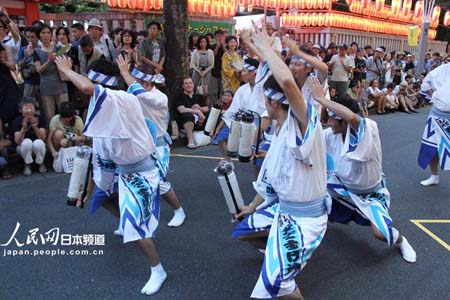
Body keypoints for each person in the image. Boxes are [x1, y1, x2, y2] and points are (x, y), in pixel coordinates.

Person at [55, 55, 167, 296]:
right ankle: (126, 222)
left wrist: (66, 69)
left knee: (134, 225)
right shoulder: (103, 107)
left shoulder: (120, 99)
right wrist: (87, 191)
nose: (86, 92)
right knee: (102, 200)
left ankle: (157, 269)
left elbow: (86, 86)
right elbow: (100, 159)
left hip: (142, 172)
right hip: (123, 173)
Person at [233, 23, 329, 300]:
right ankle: (283, 258)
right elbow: (271, 183)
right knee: (243, 231)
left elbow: (287, 83)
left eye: (265, 99)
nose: (262, 103)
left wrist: (265, 46)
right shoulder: (278, 131)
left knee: (278, 284)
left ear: (275, 104)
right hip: (283, 212)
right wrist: (251, 206)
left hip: (305, 219)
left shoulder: (303, 123)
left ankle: (285, 263)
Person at [309, 77, 416, 264]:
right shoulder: (329, 135)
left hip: (371, 193)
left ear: (343, 120)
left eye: (333, 118)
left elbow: (352, 117)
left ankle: (401, 240)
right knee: (308, 197)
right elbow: (308, 146)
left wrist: (323, 99)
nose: (329, 122)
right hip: (342, 188)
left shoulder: (368, 128)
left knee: (381, 234)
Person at [117, 56, 186, 227]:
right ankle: (134, 219)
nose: (131, 83)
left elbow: (141, 95)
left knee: (159, 183)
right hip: (138, 144)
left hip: (158, 146)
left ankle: (179, 210)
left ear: (147, 84)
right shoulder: (134, 93)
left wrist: (125, 73)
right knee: (132, 181)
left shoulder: (159, 97)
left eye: (137, 81)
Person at [418, 63, 450, 186]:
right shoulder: (442, 69)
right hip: (437, 114)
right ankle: (434, 176)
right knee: (432, 146)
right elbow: (426, 82)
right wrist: (434, 96)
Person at [33, 24, 68, 125]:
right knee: (49, 115)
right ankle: (51, 138)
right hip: (46, 85)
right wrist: (49, 61)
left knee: (65, 112)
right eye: (43, 33)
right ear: (39, 35)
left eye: (48, 33)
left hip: (60, 83)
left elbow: (66, 65)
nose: (46, 35)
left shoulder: (59, 48)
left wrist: (61, 57)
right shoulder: (37, 51)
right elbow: (39, 70)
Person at [12, 97, 47, 176]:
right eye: (26, 108)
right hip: (23, 148)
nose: (29, 110)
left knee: (38, 143)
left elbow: (43, 138)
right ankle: (27, 165)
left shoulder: (39, 118)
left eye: (31, 107)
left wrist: (35, 127)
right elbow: (17, 141)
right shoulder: (17, 121)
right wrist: (23, 128)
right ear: (21, 110)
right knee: (27, 142)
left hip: (37, 147)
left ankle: (40, 162)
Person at [175, 77, 209, 148]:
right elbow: (181, 110)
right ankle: (190, 141)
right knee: (188, 115)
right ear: (183, 86)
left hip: (199, 121)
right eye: (186, 83)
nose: (188, 85)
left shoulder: (199, 96)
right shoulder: (179, 96)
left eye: (190, 83)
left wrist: (199, 108)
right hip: (186, 122)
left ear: (193, 84)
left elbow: (206, 108)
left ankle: (211, 135)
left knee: (210, 114)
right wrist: (196, 111)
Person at [18, 26, 40, 100]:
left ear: (37, 37)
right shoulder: (23, 49)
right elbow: (19, 66)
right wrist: (26, 57)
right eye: (28, 37)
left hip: (42, 82)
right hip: (29, 82)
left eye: (32, 37)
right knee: (27, 104)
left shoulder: (41, 49)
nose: (30, 40)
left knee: (44, 107)